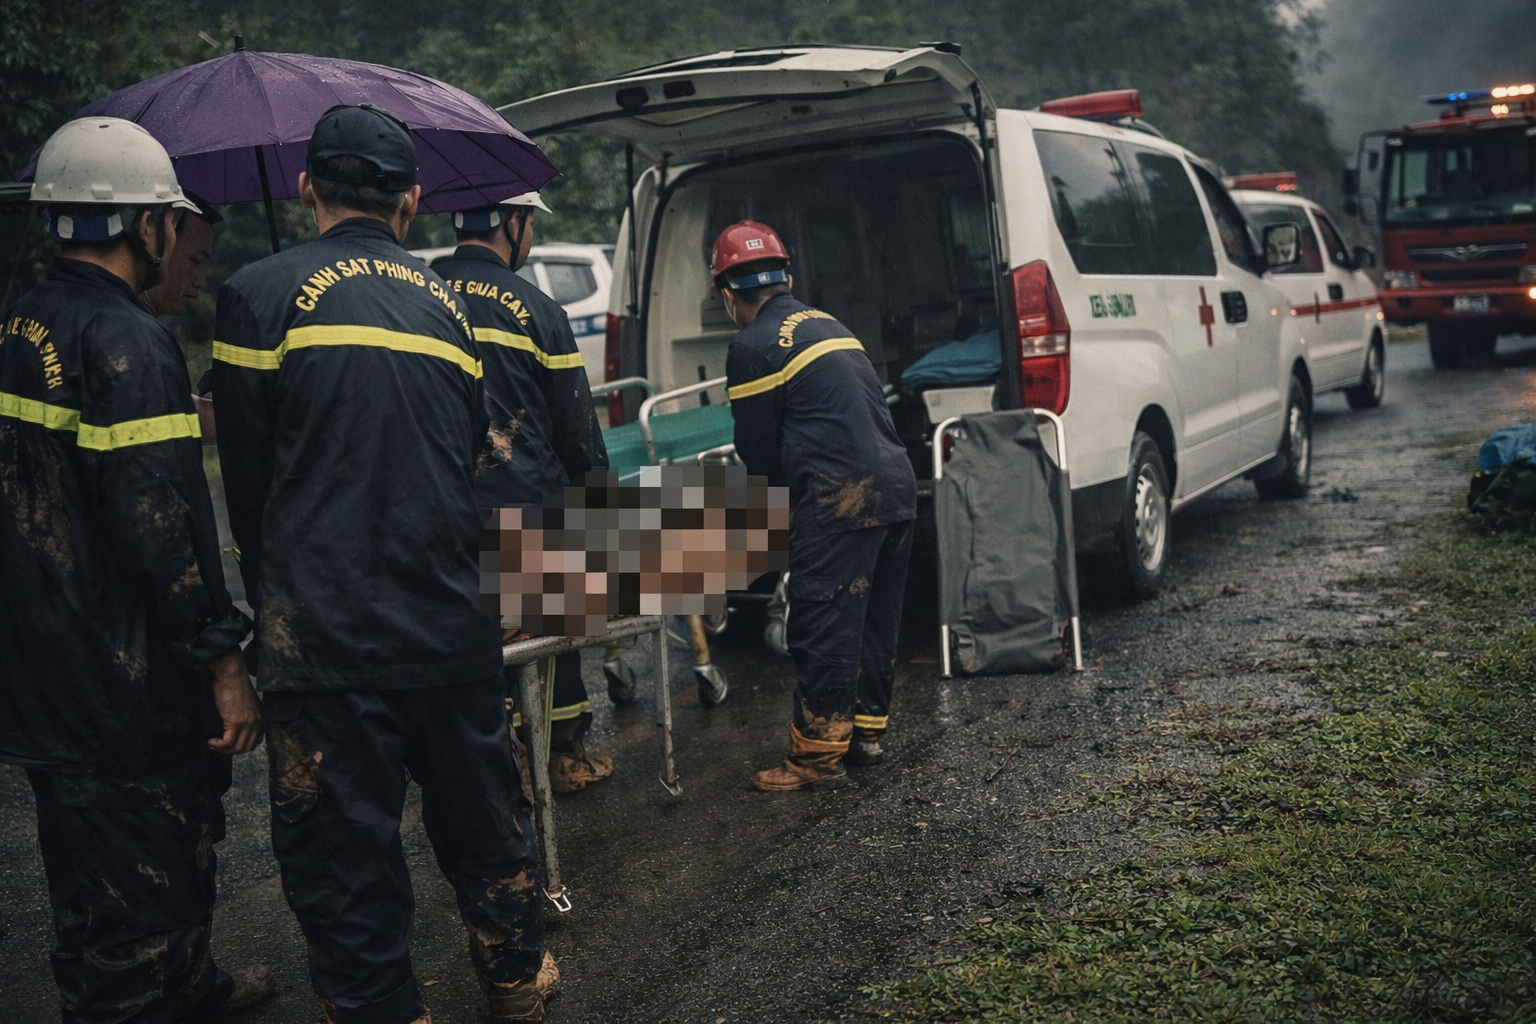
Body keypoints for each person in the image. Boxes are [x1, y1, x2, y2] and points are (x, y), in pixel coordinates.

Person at [210, 104, 555, 1023]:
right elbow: (473, 457)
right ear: (413, 199)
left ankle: (378, 1008)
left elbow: (247, 484)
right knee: (484, 818)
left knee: (343, 850)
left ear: (305, 188)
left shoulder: (253, 292)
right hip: (450, 617)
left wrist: (261, 610)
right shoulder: (450, 303)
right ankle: (516, 975)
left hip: (322, 636)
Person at [0, 116, 272, 1022]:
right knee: (141, 902)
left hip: (45, 675)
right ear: (142, 225)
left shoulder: (25, 323)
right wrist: (226, 662)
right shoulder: (130, 343)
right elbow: (161, 528)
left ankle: (186, 987)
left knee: (86, 889)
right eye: (169, 221)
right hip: (125, 689)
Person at [713, 220, 917, 791]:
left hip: (841, 499)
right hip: (897, 486)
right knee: (875, 620)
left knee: (824, 619)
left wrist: (771, 522)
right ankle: (867, 737)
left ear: (727, 293)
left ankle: (816, 759)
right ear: (787, 276)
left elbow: (757, 452)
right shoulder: (831, 325)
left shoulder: (752, 345)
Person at [432, 191, 612, 793]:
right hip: (528, 509)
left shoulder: (416, 295)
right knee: (554, 636)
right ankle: (562, 756)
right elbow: (578, 432)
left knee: (476, 648)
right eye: (529, 222)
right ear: (513, 222)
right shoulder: (537, 309)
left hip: (445, 515)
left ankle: (497, 766)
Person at [140, 195, 220, 440]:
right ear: (154, 239)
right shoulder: (134, 338)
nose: (201, 281)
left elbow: (171, 409)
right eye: (195, 261)